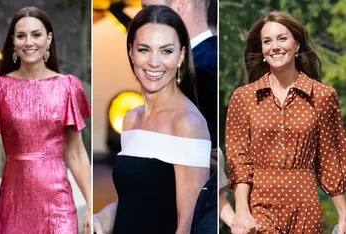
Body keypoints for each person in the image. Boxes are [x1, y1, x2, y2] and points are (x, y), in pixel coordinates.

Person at [0, 7, 91, 234]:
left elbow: (76, 153)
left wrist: (92, 205)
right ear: (13, 42)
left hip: (59, 208)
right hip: (13, 206)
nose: (28, 42)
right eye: (21, 35)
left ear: (49, 39)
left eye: (36, 34)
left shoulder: (67, 87)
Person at [93, 5, 210, 234]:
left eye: (166, 51)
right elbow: (135, 201)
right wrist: (101, 218)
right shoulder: (130, 119)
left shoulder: (187, 124)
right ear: (131, 53)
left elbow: (187, 224)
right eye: (145, 49)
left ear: (181, 56)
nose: (154, 62)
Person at [226, 11, 346, 234]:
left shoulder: (322, 96)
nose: (275, 47)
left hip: (306, 208)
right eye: (267, 41)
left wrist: (343, 214)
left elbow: (330, 159)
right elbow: (239, 163)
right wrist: (242, 211)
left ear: (297, 45)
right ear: (262, 50)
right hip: (260, 208)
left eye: (282, 38)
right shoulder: (244, 97)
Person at [141, 1, 227, 233]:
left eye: (148, 7)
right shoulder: (211, 57)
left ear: (178, 6)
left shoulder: (203, 68)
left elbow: (209, 156)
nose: (144, 16)